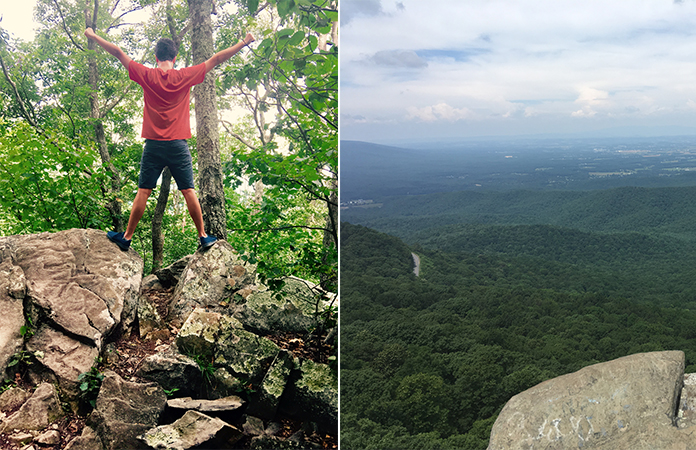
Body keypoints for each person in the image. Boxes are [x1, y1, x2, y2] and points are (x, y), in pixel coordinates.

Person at [84, 27, 254, 252]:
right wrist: (243, 42)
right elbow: (217, 58)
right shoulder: (184, 76)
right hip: (178, 145)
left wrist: (94, 36)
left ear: (156, 57)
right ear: (175, 58)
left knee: (143, 191)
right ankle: (203, 236)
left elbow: (118, 53)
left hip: (153, 145)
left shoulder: (146, 74)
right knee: (188, 190)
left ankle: (126, 237)